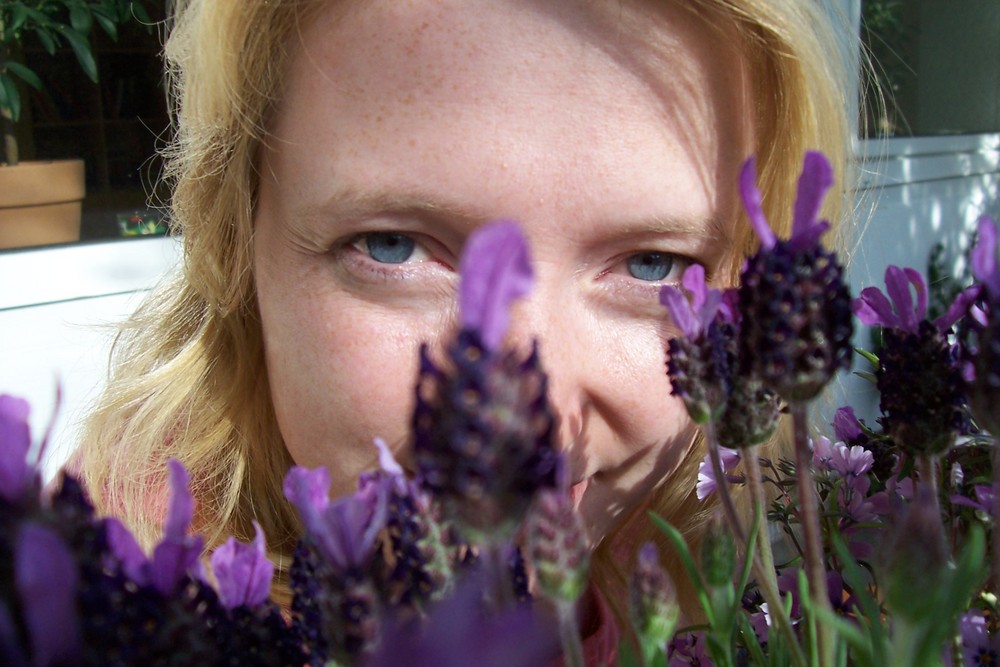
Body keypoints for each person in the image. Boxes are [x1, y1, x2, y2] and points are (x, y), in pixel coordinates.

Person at [76, 0, 852, 655]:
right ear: (234, 249)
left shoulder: (675, 588)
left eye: (653, 263)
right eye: (395, 246)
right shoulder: (91, 601)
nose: (533, 420)